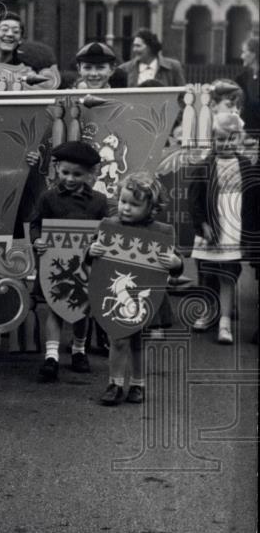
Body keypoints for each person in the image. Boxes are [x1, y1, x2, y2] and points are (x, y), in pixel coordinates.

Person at [86, 172, 183, 405]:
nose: (126, 208)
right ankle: (115, 384)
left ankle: (138, 385)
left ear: (151, 207)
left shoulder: (161, 231)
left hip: (146, 295)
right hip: (113, 294)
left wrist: (176, 262)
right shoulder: (110, 225)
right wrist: (91, 251)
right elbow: (94, 257)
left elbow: (175, 260)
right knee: (117, 339)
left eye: (134, 204)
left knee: (139, 342)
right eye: (123, 201)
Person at [31, 141, 109, 381]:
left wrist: (100, 244)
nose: (71, 179)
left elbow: (106, 230)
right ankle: (51, 356)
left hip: (85, 264)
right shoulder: (48, 198)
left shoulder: (98, 200)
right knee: (55, 307)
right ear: (57, 169)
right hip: (55, 264)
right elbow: (35, 224)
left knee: (81, 310)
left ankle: (78, 350)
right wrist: (36, 241)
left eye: (78, 174)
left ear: (90, 174)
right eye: (65, 173)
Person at [188, 114, 255, 345]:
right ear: (213, 140)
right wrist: (203, 225)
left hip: (233, 230)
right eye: (220, 139)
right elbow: (194, 200)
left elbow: (251, 201)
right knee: (207, 273)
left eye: (232, 139)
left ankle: (225, 323)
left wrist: (248, 233)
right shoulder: (204, 166)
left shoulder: (246, 165)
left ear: (240, 139)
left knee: (228, 274)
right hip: (211, 227)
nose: (226, 144)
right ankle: (209, 312)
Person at [117, 29, 185, 88]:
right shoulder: (124, 69)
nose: (134, 50)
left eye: (138, 46)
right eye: (134, 46)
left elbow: (182, 96)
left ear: (150, 47)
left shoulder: (173, 67)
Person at [235, 37, 259, 133]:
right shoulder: (242, 79)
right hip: (248, 133)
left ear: (253, 54)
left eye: (244, 52)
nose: (242, 56)